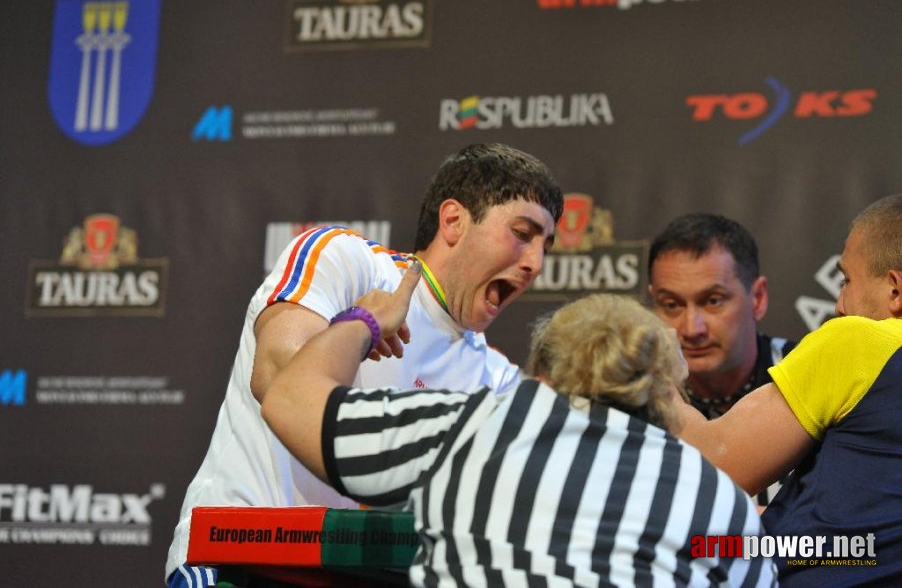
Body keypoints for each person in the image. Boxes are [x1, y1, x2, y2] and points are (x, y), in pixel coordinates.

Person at [165, 143, 564, 587]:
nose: (535, 264)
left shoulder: (495, 378)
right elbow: (277, 381)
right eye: (522, 233)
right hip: (235, 557)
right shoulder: (347, 260)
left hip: (356, 573)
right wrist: (361, 326)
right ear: (453, 221)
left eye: (545, 246)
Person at [261, 265, 777, 587]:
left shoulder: (467, 428)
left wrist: (365, 320)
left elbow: (289, 399)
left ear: (542, 377)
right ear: (667, 395)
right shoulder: (716, 497)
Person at [675, 194, 902, 585]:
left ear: (895, 288)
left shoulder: (862, 342)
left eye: (847, 279)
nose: (839, 307)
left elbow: (712, 467)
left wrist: (651, 368)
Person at [648, 213, 797, 506]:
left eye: (713, 301)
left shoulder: (813, 380)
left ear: (758, 298)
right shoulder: (630, 397)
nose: (692, 328)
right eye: (671, 305)